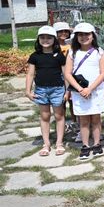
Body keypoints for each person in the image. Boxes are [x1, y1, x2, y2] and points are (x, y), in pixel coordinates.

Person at [64, 23, 104, 160]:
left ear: (93, 36)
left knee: (96, 118)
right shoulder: (72, 53)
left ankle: (96, 143)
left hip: (95, 91)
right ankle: (85, 145)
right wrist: (79, 89)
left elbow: (103, 73)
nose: (84, 37)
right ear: (76, 37)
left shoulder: (99, 52)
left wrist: (91, 88)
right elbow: (67, 73)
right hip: (80, 92)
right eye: (80, 35)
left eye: (87, 34)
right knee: (83, 119)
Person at [26, 26, 67, 156]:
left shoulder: (59, 56)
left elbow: (66, 74)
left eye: (49, 37)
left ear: (54, 39)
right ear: (38, 40)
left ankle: (59, 143)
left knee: (59, 115)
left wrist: (68, 91)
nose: (45, 40)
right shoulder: (34, 56)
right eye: (42, 37)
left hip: (58, 89)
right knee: (45, 116)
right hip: (41, 90)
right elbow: (30, 74)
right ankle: (46, 144)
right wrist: (28, 90)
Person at [53, 22, 75, 136]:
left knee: (72, 100)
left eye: (65, 31)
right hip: (58, 75)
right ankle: (63, 122)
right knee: (61, 101)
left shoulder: (71, 45)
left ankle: (74, 121)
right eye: (60, 31)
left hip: (71, 74)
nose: (63, 33)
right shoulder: (53, 46)